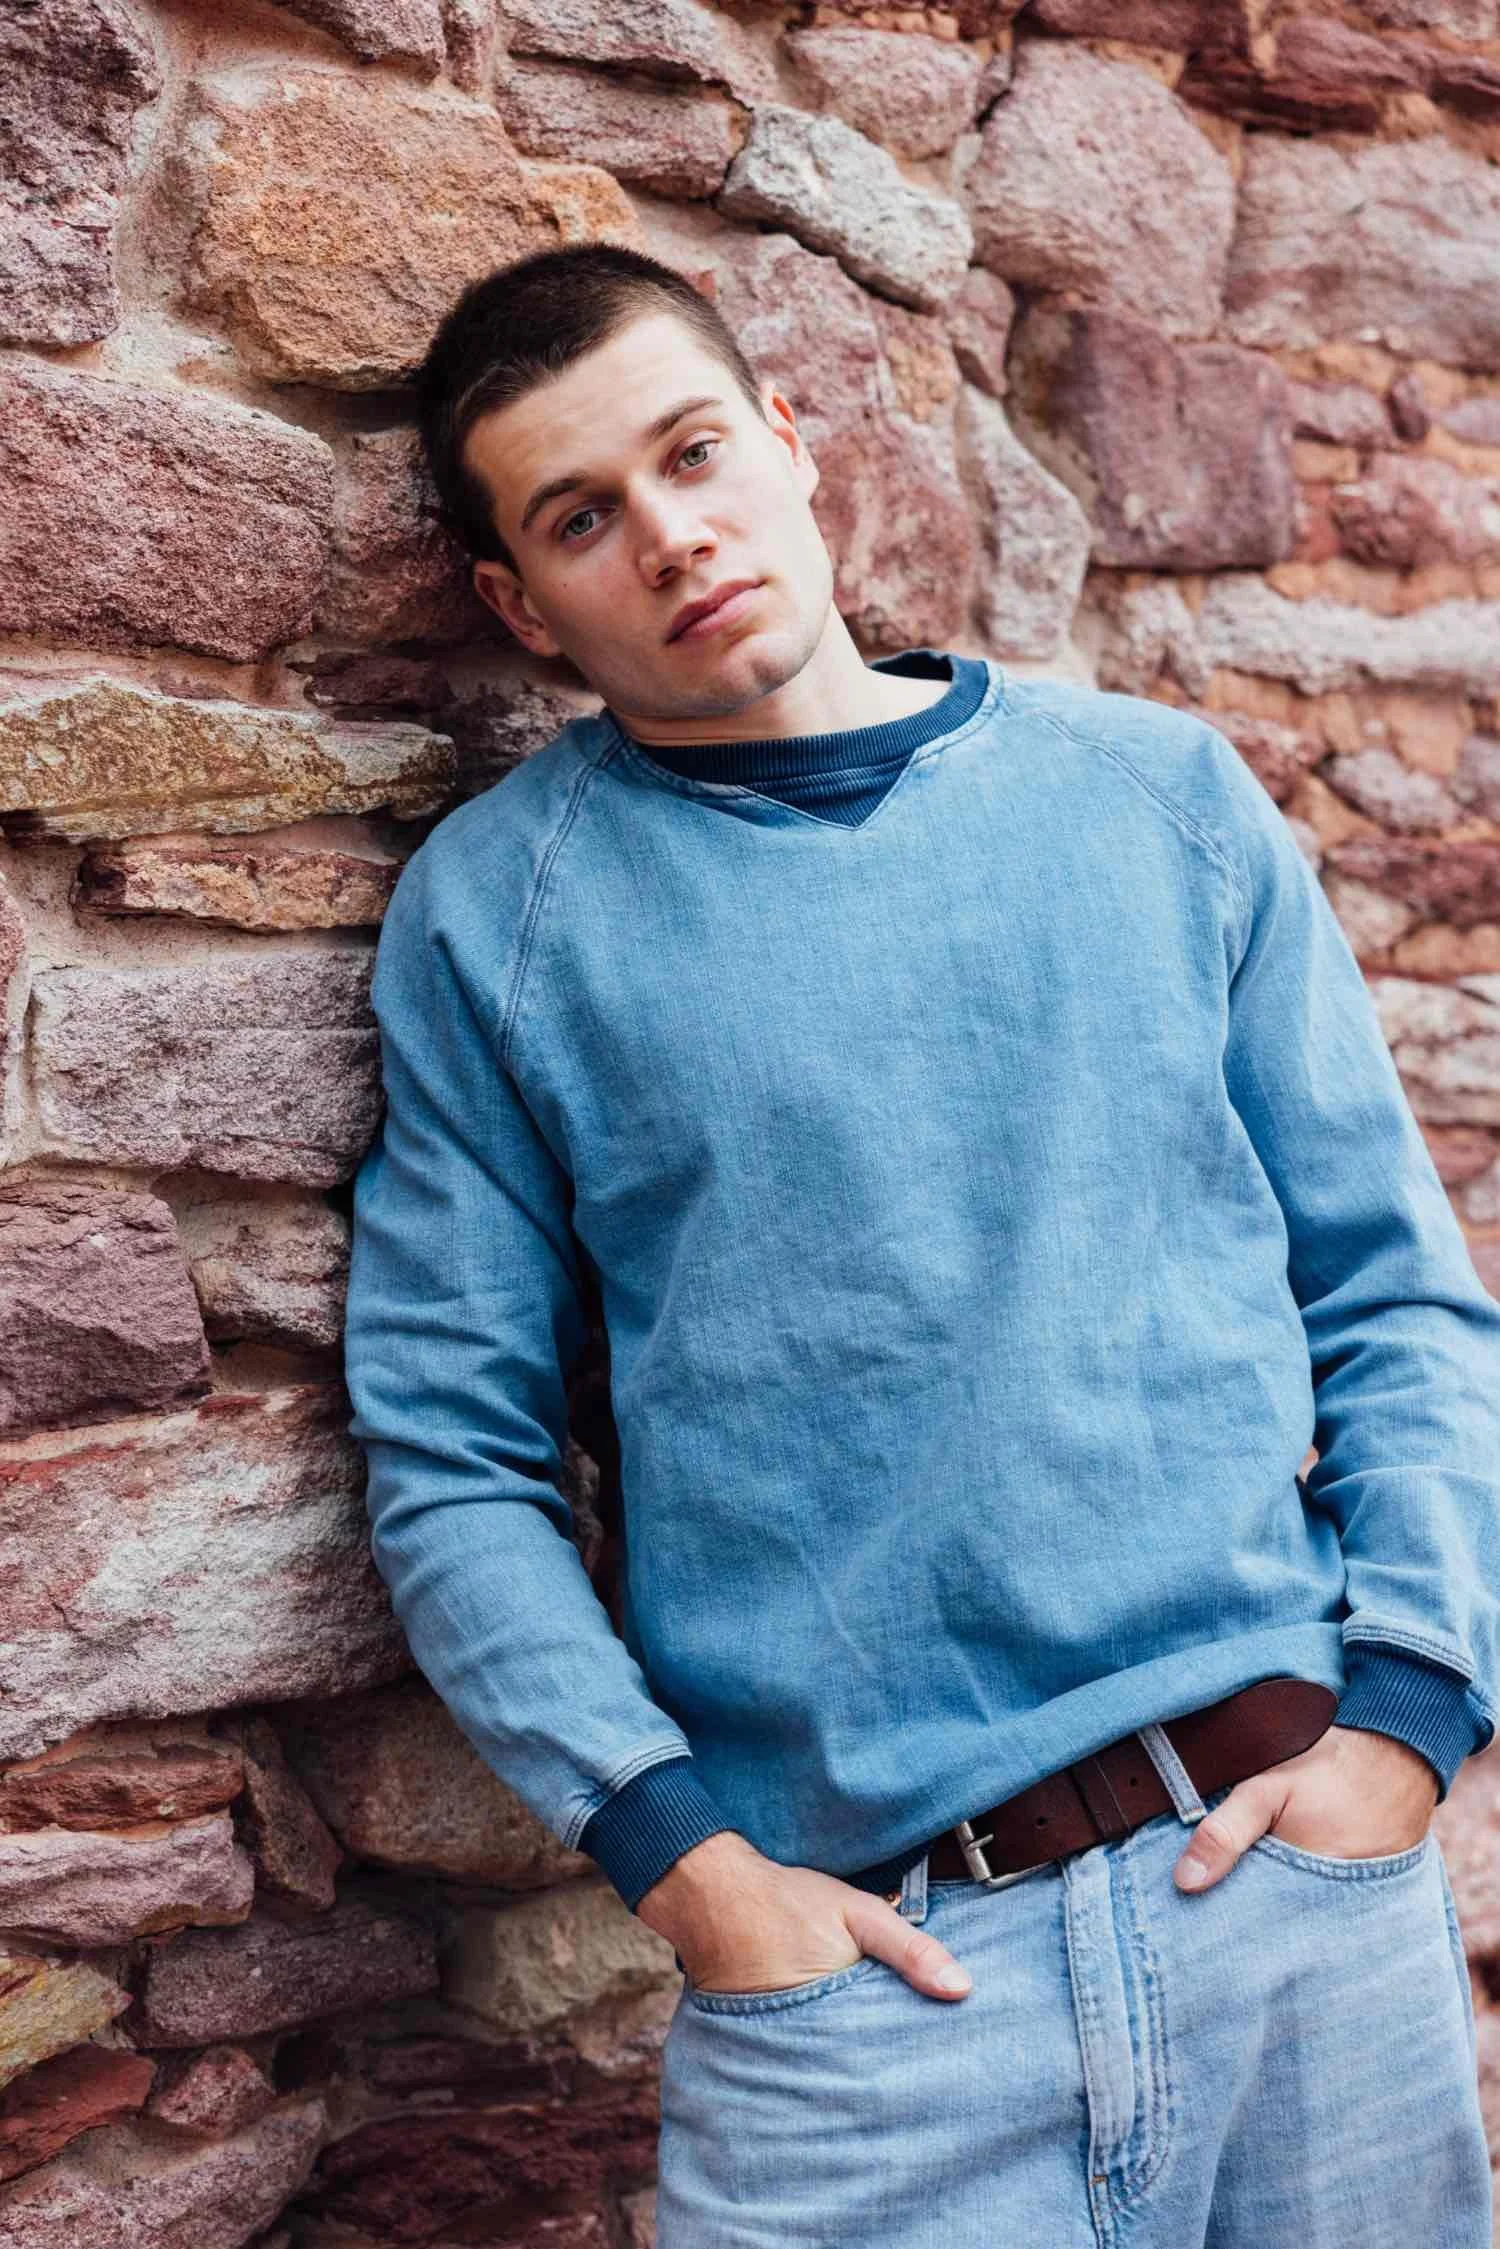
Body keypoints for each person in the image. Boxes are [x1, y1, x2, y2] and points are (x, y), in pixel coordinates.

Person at [341, 242, 1498, 2245]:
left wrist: (1407, 1721)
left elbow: (1396, 1296)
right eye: (582, 517)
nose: (672, 535)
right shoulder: (499, 921)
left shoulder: (1158, 798)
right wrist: (695, 1874)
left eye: (694, 452)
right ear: (520, 604)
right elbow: (452, 1459)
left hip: (1296, 1905)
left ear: (789, 444)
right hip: (870, 2008)